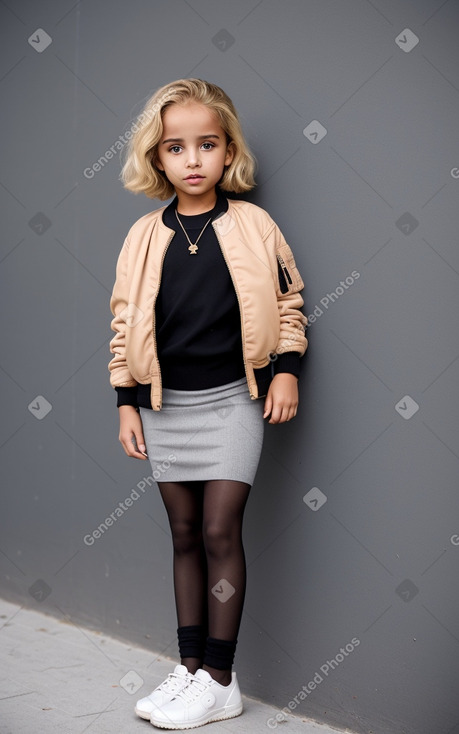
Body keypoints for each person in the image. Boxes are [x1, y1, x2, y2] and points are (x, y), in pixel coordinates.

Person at [108, 78, 308, 729]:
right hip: (165, 409)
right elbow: (124, 324)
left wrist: (286, 372)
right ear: (157, 157)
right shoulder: (142, 236)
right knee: (184, 535)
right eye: (175, 147)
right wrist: (126, 403)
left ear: (227, 152)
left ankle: (221, 678)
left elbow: (287, 304)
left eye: (206, 144)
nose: (192, 159)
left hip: (231, 403)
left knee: (221, 530)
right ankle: (191, 667)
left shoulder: (254, 224)